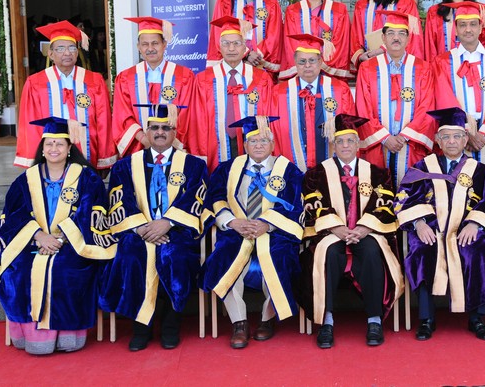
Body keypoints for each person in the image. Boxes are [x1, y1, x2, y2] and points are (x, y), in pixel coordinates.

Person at [0, 116, 115, 354]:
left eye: (60, 144)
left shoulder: (87, 177)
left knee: (66, 269)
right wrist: (39, 236)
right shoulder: (26, 179)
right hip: (32, 241)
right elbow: (13, 213)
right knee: (19, 269)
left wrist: (60, 239)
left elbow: (91, 212)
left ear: (69, 148)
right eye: (49, 143)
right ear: (42, 148)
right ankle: (31, 335)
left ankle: (68, 333)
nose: (54, 148)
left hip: (74, 243)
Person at [99, 104, 208, 351]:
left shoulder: (194, 165)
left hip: (177, 231)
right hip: (138, 231)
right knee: (131, 257)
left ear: (175, 132)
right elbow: (119, 200)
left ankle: (171, 326)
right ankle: (141, 327)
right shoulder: (125, 166)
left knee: (176, 258)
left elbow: (195, 198)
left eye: (166, 128)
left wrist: (167, 223)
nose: (160, 132)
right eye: (155, 128)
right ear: (146, 132)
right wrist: (140, 228)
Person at [395, 107, 485, 341]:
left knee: (479, 251)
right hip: (431, 230)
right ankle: (426, 319)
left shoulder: (480, 171)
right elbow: (404, 198)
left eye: (457, 136)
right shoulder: (423, 168)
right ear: (437, 140)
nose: (451, 141)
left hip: (467, 231)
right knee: (422, 250)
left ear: (465, 139)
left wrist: (475, 224)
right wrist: (419, 223)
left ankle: (477, 318)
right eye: (446, 137)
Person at [300, 114, 405, 349]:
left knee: (372, 251)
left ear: (358, 144)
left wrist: (365, 227)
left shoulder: (378, 173)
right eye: (340, 141)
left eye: (350, 141)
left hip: (367, 232)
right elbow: (312, 203)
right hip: (331, 233)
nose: (345, 146)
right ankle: (326, 321)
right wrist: (336, 227)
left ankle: (374, 319)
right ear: (333, 145)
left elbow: (386, 204)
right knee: (328, 253)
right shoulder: (316, 174)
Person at [200, 116, 304, 349]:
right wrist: (232, 222)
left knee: (281, 259)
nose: (258, 145)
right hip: (236, 231)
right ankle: (239, 322)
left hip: (275, 233)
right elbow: (215, 198)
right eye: (253, 141)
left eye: (264, 140)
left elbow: (295, 204)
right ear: (245, 145)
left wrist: (267, 223)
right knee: (224, 257)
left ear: (273, 144)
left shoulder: (288, 170)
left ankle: (267, 318)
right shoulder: (227, 169)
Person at [14, 20, 117, 171]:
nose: (67, 53)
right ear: (50, 53)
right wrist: (35, 160)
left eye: (72, 48)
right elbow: (31, 126)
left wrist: (104, 158)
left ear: (77, 52)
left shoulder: (94, 80)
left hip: (88, 155)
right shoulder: (35, 83)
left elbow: (104, 121)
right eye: (60, 48)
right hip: (50, 157)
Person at [356, 9, 435, 187]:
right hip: (377, 144)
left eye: (401, 33)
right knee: (377, 192)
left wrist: (404, 137)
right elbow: (363, 108)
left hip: (410, 145)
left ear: (408, 38)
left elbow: (427, 107)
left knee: (410, 192)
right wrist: (385, 138)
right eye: (391, 33)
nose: (396, 38)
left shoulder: (423, 68)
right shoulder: (367, 68)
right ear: (383, 38)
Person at [188, 16, 275, 173]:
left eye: (236, 43)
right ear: (219, 47)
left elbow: (269, 117)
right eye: (226, 43)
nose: (231, 48)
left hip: (252, 142)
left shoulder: (261, 78)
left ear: (245, 47)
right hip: (215, 144)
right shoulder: (203, 79)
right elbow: (197, 120)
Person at [432, 1, 485, 167]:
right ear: (455, 29)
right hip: (457, 137)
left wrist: (484, 134)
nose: (468, 29)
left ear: (481, 27)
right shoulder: (443, 62)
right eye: (462, 25)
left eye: (473, 24)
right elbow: (444, 100)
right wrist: (466, 132)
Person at [269, 35, 356, 172]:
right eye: (302, 61)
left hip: (331, 168)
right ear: (295, 63)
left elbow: (350, 131)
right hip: (291, 166)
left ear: (320, 62)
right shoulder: (279, 92)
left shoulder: (340, 90)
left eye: (312, 60)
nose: (307, 65)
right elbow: (273, 132)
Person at [112, 16, 195, 157]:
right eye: (145, 44)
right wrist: (145, 140)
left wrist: (167, 141)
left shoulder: (184, 76)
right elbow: (123, 115)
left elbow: (187, 114)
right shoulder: (126, 78)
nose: (150, 48)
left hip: (174, 148)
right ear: (138, 47)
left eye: (155, 43)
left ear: (164, 44)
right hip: (139, 147)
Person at [279, 0, 351, 80]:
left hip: (329, 70)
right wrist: (306, 64)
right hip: (303, 71)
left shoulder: (338, 10)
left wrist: (321, 64)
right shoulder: (293, 11)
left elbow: (341, 41)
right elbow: (290, 42)